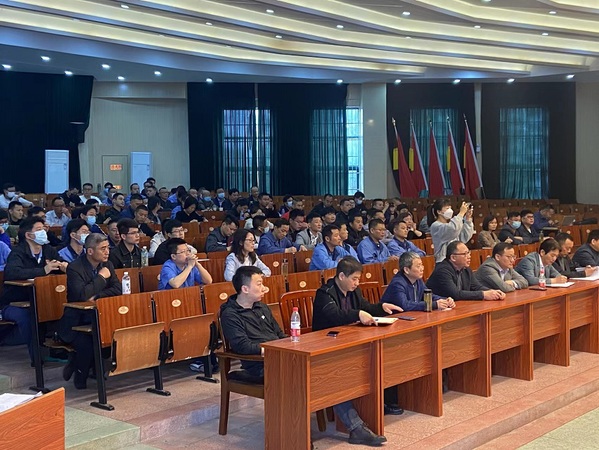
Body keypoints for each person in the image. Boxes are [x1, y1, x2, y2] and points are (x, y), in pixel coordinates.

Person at [312, 256, 403, 438]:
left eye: (358, 279)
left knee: (379, 358)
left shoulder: (354, 291)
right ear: (341, 276)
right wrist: (358, 314)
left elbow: (365, 307)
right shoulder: (325, 293)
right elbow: (335, 315)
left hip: (348, 340)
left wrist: (381, 307)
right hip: (325, 345)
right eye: (354, 279)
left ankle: (382, 403)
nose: (357, 283)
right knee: (344, 371)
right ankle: (355, 424)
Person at [60, 233, 121, 389]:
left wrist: (98, 295)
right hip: (77, 320)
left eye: (108, 248)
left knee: (112, 336)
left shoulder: (108, 265)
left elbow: (117, 289)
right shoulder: (75, 267)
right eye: (103, 248)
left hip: (101, 316)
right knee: (87, 341)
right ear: (90, 251)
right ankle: (80, 376)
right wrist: (101, 278)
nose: (107, 252)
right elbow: (81, 296)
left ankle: (90, 368)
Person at [0, 217, 67, 360]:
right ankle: (37, 357)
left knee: (62, 310)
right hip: (15, 302)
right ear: (29, 235)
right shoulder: (17, 252)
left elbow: (61, 263)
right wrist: (43, 270)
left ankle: (58, 349)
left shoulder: (48, 250)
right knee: (29, 317)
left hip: (43, 299)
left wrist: (65, 267)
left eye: (43, 229)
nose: (43, 232)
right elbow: (13, 273)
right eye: (39, 229)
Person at [426, 241, 505, 301]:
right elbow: (455, 294)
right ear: (453, 258)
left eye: (468, 253)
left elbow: (476, 286)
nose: (469, 256)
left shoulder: (465, 269)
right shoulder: (442, 270)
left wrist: (492, 292)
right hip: (438, 309)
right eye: (465, 254)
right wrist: (483, 295)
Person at [381, 251, 455, 311]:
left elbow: (429, 296)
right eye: (418, 266)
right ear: (406, 270)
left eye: (422, 265)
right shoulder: (398, 283)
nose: (422, 268)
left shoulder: (417, 280)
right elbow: (405, 305)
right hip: (392, 319)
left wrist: (445, 300)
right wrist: (434, 304)